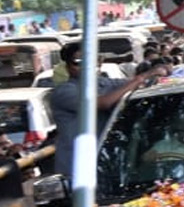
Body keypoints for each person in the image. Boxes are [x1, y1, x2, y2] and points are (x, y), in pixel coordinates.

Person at [50, 41, 158, 183]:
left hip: (110, 162)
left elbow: (136, 85)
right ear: (67, 67)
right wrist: (141, 78)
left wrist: (158, 73)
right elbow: (103, 103)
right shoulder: (64, 92)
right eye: (77, 62)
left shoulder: (104, 83)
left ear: (98, 62)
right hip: (78, 168)